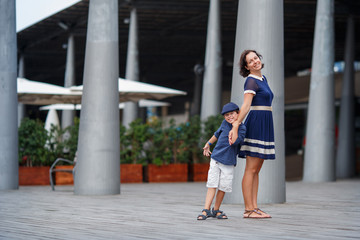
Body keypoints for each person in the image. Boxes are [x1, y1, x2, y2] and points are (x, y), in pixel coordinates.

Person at [229, 50, 275, 219]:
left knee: (256, 170)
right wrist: (235, 126)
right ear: (247, 67)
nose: (255, 61)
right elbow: (246, 106)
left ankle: (254, 208)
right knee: (251, 169)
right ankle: (248, 210)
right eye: (250, 61)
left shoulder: (264, 79)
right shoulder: (251, 81)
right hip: (256, 124)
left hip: (265, 124)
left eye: (256, 58)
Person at [197, 102, 246, 220]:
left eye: (232, 114)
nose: (229, 117)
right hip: (216, 159)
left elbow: (234, 141)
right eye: (226, 115)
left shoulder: (242, 128)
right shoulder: (224, 124)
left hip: (229, 162)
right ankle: (206, 209)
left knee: (223, 187)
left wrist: (235, 126)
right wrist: (208, 144)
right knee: (212, 184)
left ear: (238, 113)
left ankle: (216, 209)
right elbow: (216, 134)